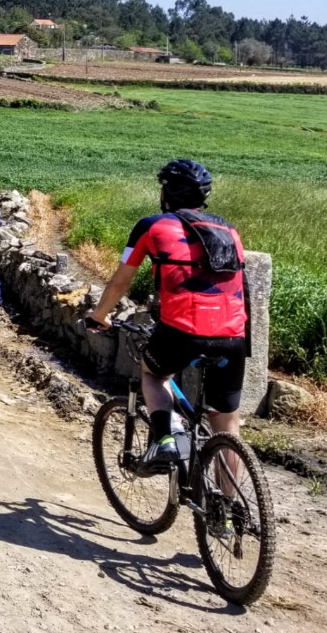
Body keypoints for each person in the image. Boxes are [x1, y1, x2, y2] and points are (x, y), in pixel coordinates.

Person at [85, 160, 248, 469]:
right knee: (227, 422)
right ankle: (231, 510)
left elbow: (121, 281)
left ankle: (165, 440)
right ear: (203, 198)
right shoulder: (229, 230)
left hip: (182, 331)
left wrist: (100, 315)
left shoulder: (152, 226)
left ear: (166, 195)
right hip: (232, 336)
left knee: (154, 375)